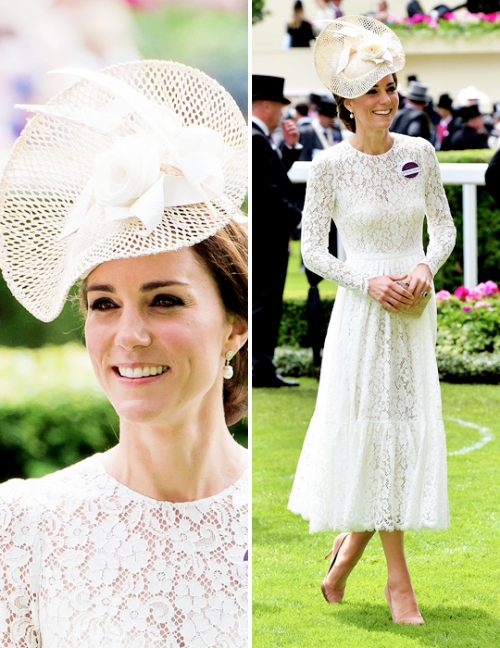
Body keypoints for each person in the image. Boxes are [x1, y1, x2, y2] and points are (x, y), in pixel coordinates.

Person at [0, 60, 249, 646]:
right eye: (104, 304)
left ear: (234, 324)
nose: (129, 335)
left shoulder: (286, 517)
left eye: (164, 300)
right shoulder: (24, 525)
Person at [288, 16, 456, 625]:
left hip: (412, 316)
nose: (387, 99)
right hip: (362, 317)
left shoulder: (421, 153)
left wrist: (421, 269)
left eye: (392, 86)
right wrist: (369, 280)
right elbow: (312, 250)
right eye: (374, 90)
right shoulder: (329, 165)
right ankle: (397, 584)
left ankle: (346, 556)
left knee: (401, 439)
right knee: (373, 438)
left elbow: (443, 229)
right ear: (347, 102)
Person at [252, 75, 302, 387]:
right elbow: (267, 191)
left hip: (269, 236)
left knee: (268, 304)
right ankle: (260, 368)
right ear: (267, 105)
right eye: (281, 106)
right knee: (265, 304)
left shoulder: (261, 139)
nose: (283, 113)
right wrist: (299, 217)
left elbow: (272, 177)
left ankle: (263, 366)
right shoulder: (256, 139)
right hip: (267, 237)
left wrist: (290, 148)